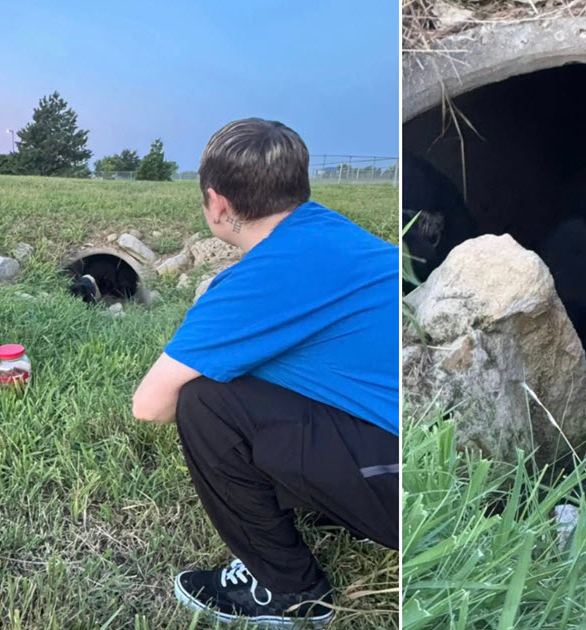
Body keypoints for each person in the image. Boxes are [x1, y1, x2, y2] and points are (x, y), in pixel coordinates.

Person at [132, 119, 398, 628]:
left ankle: (288, 591)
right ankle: (326, 508)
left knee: (205, 403)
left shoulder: (260, 279)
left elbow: (150, 406)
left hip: (412, 488)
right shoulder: (333, 232)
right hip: (418, 453)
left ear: (216, 203)